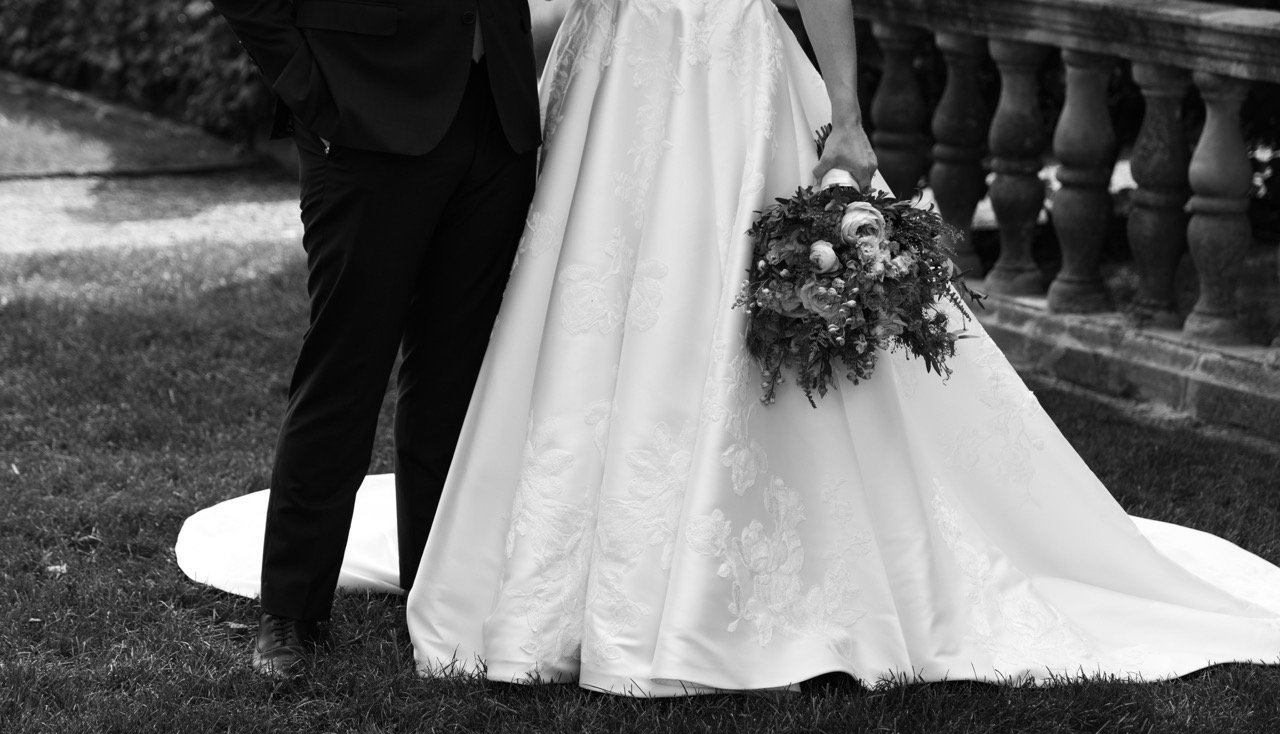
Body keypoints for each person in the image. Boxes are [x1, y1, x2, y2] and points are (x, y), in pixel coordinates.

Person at [180, 0, 1280, 693]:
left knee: (473, 374)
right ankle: (294, 616)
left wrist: (844, 108)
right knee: (363, 365)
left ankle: (450, 576)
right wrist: (311, 92)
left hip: (617, 100)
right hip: (525, 97)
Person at [203, 0, 541, 675]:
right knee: (345, 368)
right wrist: (314, 97)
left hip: (494, 116)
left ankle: (438, 588)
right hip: (361, 112)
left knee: (458, 379)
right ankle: (294, 612)